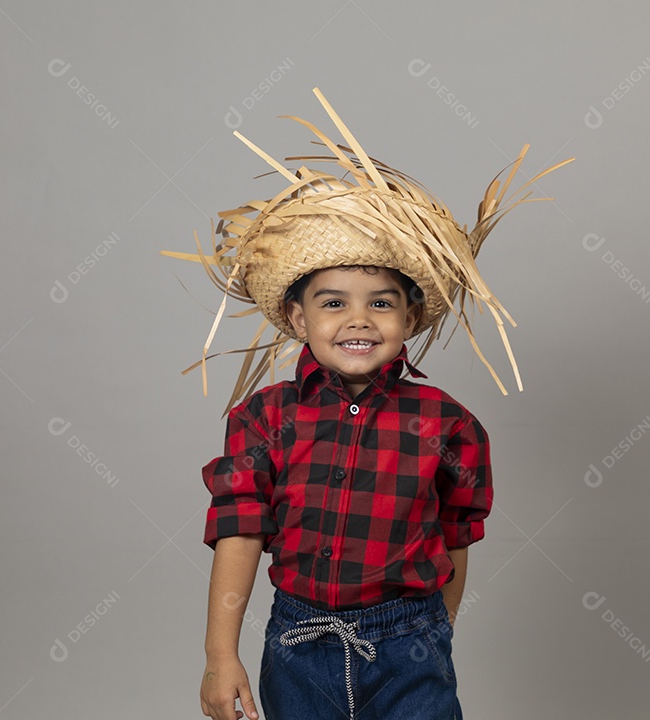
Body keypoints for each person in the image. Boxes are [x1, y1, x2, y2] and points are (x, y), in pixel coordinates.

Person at [162, 87, 573, 720]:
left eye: (381, 302)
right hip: (299, 645)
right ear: (297, 318)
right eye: (334, 302)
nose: (359, 319)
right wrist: (222, 658)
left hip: (412, 641)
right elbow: (239, 535)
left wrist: (436, 634)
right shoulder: (264, 418)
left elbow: (456, 535)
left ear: (410, 316)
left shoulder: (448, 424)